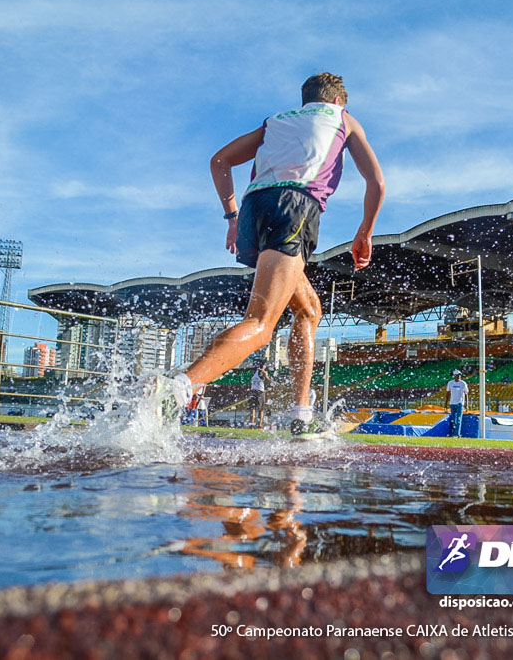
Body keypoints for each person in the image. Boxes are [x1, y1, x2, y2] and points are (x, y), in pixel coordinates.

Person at [152, 73, 385, 437]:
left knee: (309, 309)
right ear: (340, 101)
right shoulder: (344, 119)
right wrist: (365, 232)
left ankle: (301, 415)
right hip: (294, 205)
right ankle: (179, 388)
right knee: (261, 324)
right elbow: (377, 183)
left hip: (252, 209)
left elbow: (220, 161)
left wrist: (232, 219)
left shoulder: (276, 121)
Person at [445, 370, 469, 437]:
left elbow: (466, 394)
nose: (459, 376)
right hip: (452, 403)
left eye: (459, 375)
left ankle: (457, 434)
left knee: (458, 419)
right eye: (457, 375)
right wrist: (446, 404)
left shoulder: (463, 383)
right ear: (454, 376)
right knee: (453, 419)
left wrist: (466, 405)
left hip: (460, 403)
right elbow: (447, 394)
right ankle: (454, 433)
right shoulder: (450, 383)